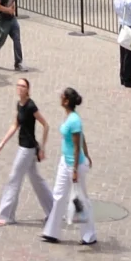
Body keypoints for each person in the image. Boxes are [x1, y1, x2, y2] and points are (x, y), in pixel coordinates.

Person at [0, 75, 54, 227]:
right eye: (18, 86)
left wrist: (43, 147)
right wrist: (2, 143)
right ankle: (54, 211)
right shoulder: (19, 105)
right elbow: (15, 125)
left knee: (14, 178)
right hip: (24, 146)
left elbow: (46, 125)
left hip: (28, 149)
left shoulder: (31, 106)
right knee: (36, 180)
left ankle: (6, 215)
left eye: (23, 86)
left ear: (28, 90)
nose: (19, 88)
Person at [41, 87, 98, 247]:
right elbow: (82, 139)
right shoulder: (68, 117)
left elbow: (76, 144)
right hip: (65, 161)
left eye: (62, 96)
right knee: (58, 195)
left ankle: (89, 234)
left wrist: (75, 168)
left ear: (67, 101)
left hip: (74, 164)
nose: (59, 97)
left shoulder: (74, 120)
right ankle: (51, 232)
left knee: (81, 199)